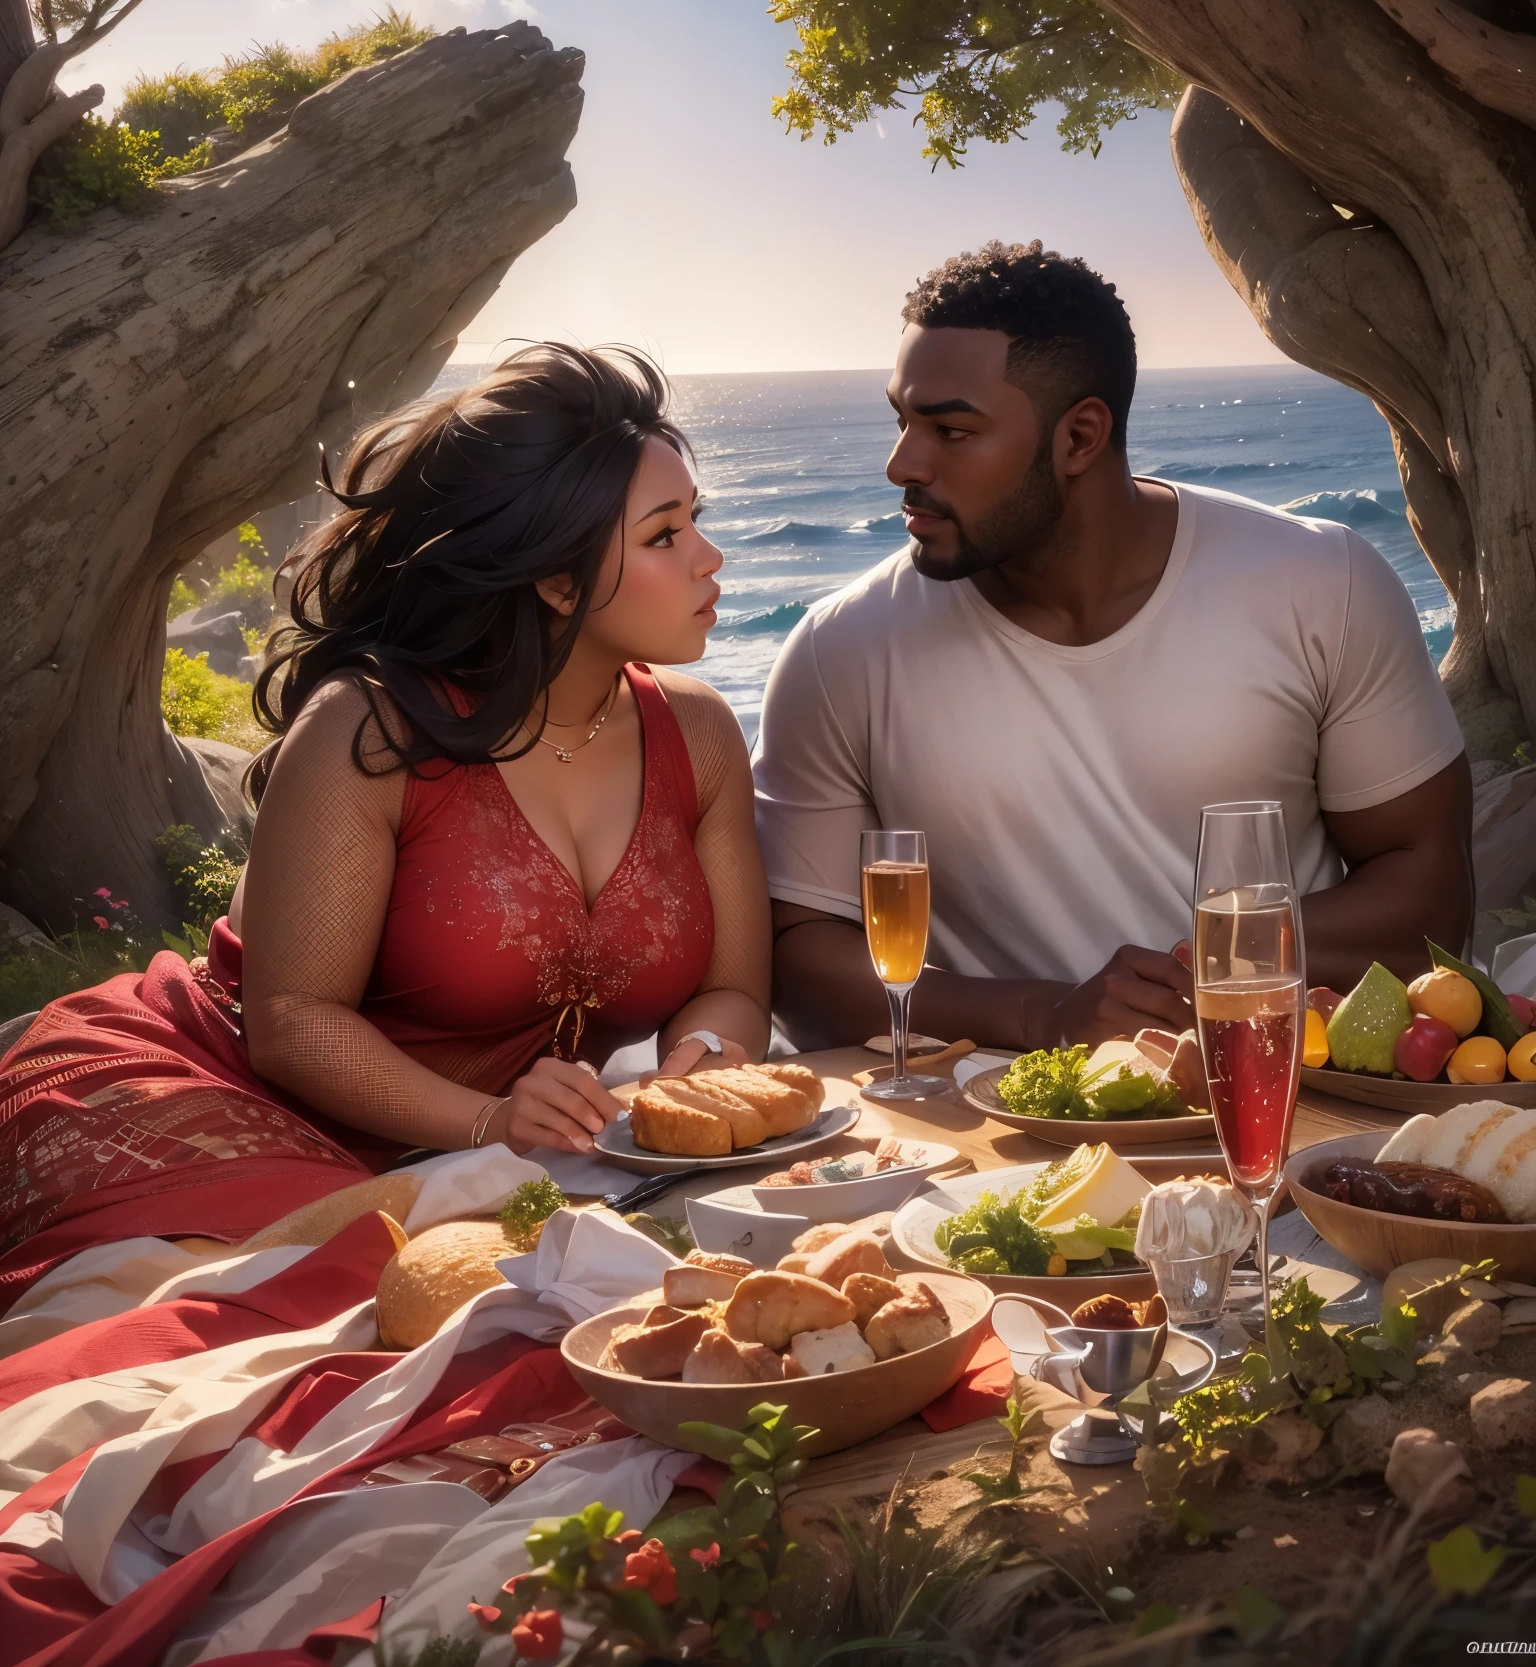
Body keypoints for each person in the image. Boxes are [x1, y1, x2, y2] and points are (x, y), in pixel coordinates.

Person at [0, 346, 770, 1298]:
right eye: (663, 536)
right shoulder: (369, 732)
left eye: (698, 519)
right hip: (215, 1098)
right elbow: (290, 1022)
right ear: (558, 582)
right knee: (319, 1310)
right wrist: (491, 1125)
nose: (708, 556)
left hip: (493, 1155)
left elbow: (734, 987)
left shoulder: (698, 733)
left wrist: (693, 1074)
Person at [755, 242, 1472, 1052]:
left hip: (1275, 1103)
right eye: (902, 420)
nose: (901, 464)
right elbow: (800, 966)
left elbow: (1429, 892)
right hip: (991, 1140)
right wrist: (1044, 1017)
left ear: (1080, 437)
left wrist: (1187, 982)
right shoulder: (839, 649)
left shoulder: (1321, 581)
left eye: (950, 430)